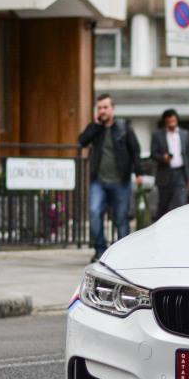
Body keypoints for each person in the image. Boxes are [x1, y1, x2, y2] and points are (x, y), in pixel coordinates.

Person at [79, 94, 144, 261]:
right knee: (94, 212)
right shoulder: (96, 129)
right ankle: (100, 250)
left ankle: (123, 253)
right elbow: (82, 141)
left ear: (113, 109)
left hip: (120, 181)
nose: (102, 111)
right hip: (98, 181)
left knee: (121, 217)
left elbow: (135, 150)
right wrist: (95, 125)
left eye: (105, 107)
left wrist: (139, 172)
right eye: (99, 108)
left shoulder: (124, 127)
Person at [150, 108, 189, 218]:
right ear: (165, 122)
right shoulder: (157, 135)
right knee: (163, 205)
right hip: (165, 174)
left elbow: (187, 156)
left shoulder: (185, 134)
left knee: (181, 203)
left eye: (173, 121)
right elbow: (153, 154)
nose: (172, 124)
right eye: (169, 122)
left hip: (180, 174)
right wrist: (163, 158)